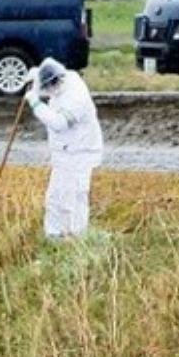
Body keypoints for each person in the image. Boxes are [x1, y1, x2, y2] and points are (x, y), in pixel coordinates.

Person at [25, 57, 103, 239]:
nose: (49, 93)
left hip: (80, 151)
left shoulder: (76, 98)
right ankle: (54, 234)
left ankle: (75, 236)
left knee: (74, 196)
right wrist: (34, 78)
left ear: (56, 83)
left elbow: (59, 123)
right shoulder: (64, 77)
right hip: (65, 151)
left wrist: (36, 104)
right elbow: (42, 74)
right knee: (55, 195)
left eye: (48, 89)